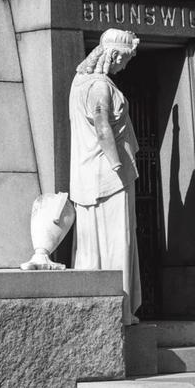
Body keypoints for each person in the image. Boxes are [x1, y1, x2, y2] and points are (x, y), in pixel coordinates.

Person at [69, 28, 142, 323]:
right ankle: (120, 311)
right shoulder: (101, 86)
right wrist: (116, 165)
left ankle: (95, 310)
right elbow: (102, 126)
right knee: (117, 241)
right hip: (109, 177)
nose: (124, 66)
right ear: (113, 54)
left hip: (87, 176)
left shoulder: (78, 83)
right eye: (124, 59)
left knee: (92, 245)